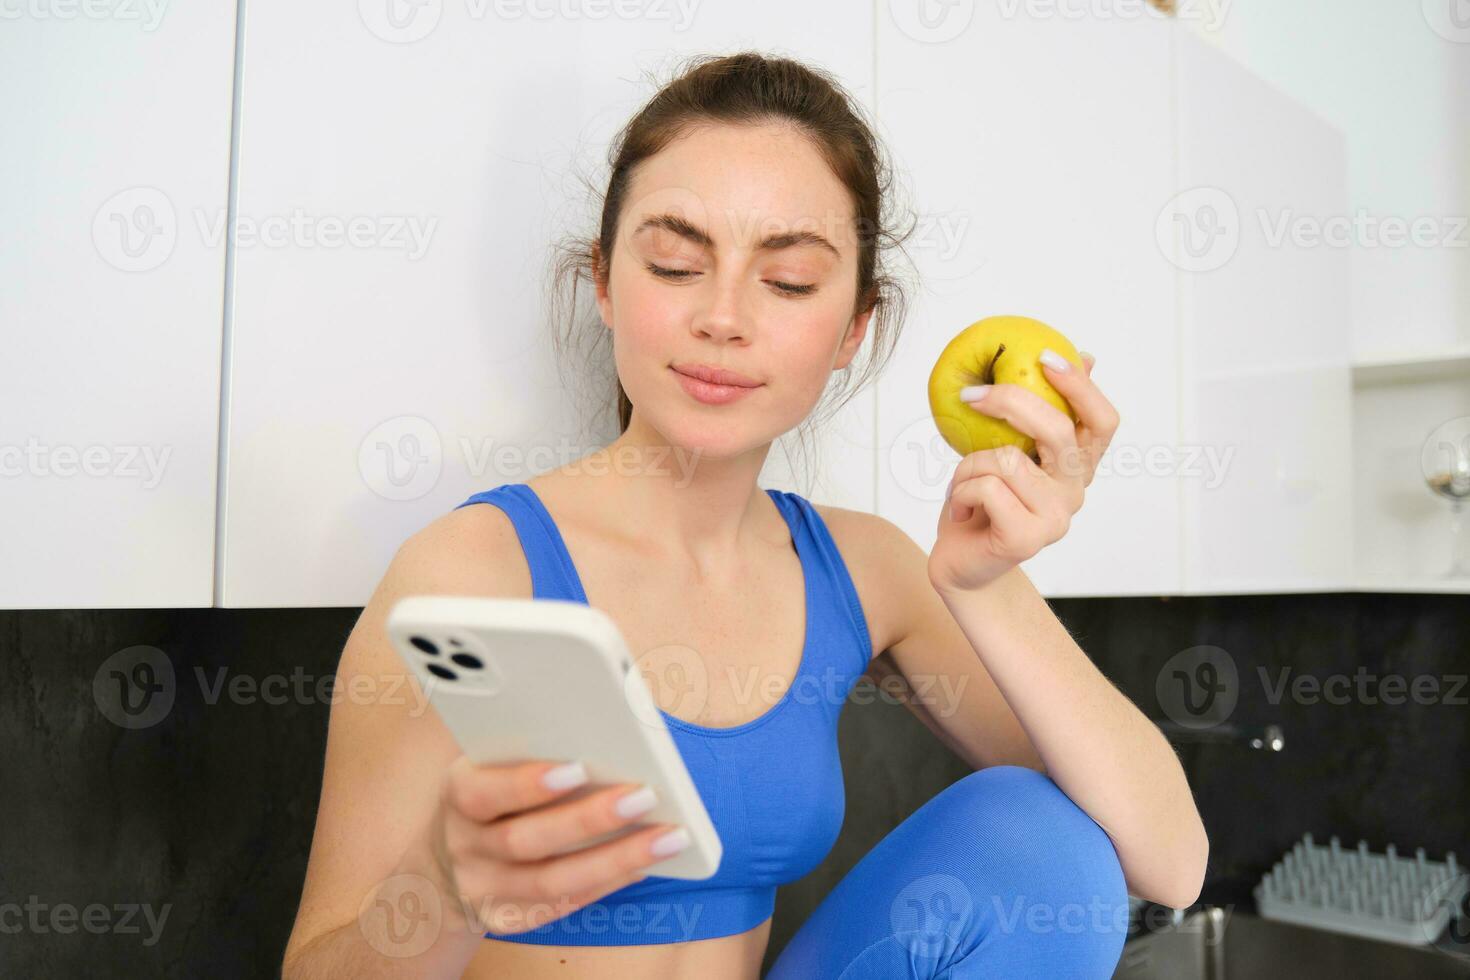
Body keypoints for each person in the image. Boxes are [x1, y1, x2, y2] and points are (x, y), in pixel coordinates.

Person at [282, 51, 1207, 979]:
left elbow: (1167, 862)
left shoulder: (863, 569)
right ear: (605, 283)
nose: (723, 317)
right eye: (677, 263)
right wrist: (446, 889)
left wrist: (989, 585)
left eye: (790, 281)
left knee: (1036, 837)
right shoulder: (471, 572)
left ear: (854, 328)